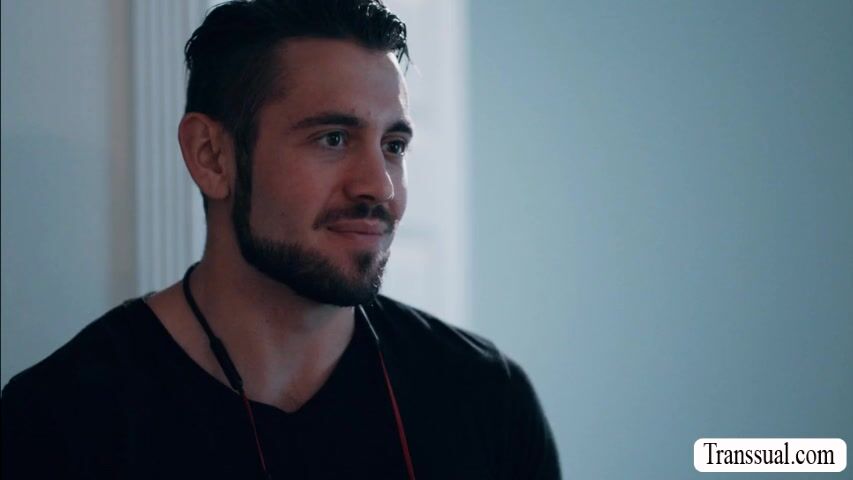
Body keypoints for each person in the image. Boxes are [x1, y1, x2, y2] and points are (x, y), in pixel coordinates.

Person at [1, 1, 560, 478]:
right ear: (211, 156)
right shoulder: (62, 420)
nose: (379, 186)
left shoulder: (485, 397)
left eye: (393, 146)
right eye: (333, 138)